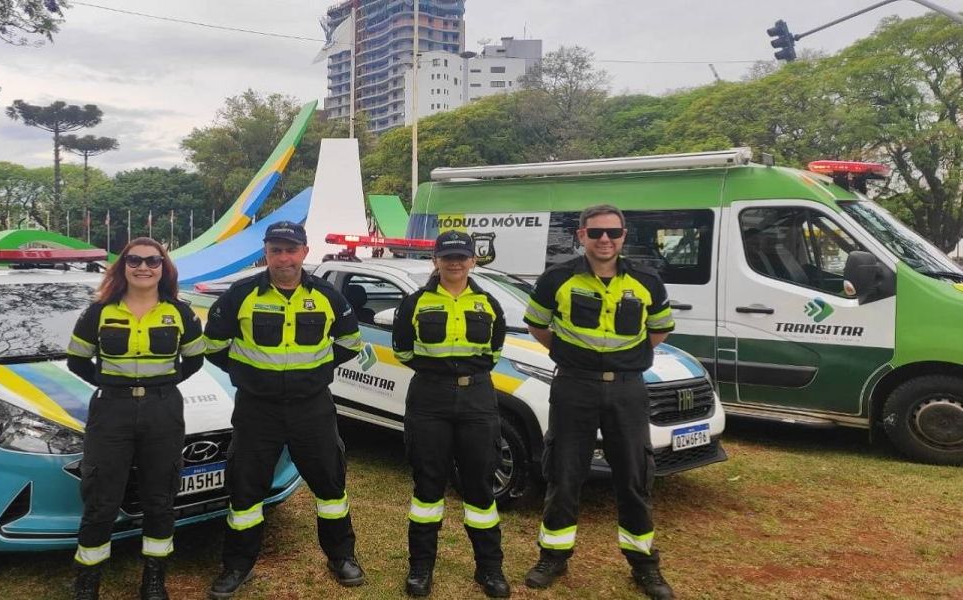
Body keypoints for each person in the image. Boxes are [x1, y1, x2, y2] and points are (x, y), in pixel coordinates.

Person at [202, 221, 366, 599]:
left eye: (291, 250)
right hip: (257, 409)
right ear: (266, 253)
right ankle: (238, 565)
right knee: (246, 488)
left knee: (330, 484)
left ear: (304, 252)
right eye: (276, 250)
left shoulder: (327, 295)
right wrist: (250, 375)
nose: (284, 258)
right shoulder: (241, 294)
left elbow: (350, 343)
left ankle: (341, 556)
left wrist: (314, 373)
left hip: (312, 407)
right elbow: (213, 346)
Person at [521, 205, 677, 600]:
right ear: (581, 235)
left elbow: (658, 330)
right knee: (564, 472)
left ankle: (644, 565)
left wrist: (625, 361)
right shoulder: (557, 278)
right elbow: (537, 324)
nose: (604, 239)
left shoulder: (647, 280)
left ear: (624, 234)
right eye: (595, 233)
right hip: (574, 386)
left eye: (612, 232)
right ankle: (553, 557)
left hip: (627, 389)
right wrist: (571, 355)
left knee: (634, 475)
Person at [66, 237, 206, 600]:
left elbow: (194, 360)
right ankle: (88, 581)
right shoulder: (98, 312)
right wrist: (111, 384)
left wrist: (162, 385)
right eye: (135, 260)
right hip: (111, 411)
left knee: (160, 497)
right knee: (101, 498)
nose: (144, 267)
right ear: (123, 266)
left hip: (163, 411)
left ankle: (154, 579)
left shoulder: (181, 313)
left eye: (152, 261)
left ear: (163, 268)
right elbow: (77, 360)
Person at [392, 231, 511, 598]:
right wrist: (439, 373)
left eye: (461, 256)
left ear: (473, 260)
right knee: (428, 485)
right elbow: (403, 351)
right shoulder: (414, 303)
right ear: (436, 260)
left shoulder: (489, 303)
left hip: (477, 398)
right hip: (430, 398)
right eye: (448, 256)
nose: (455, 262)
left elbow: (493, 352)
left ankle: (489, 568)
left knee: (479, 484)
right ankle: (421, 568)